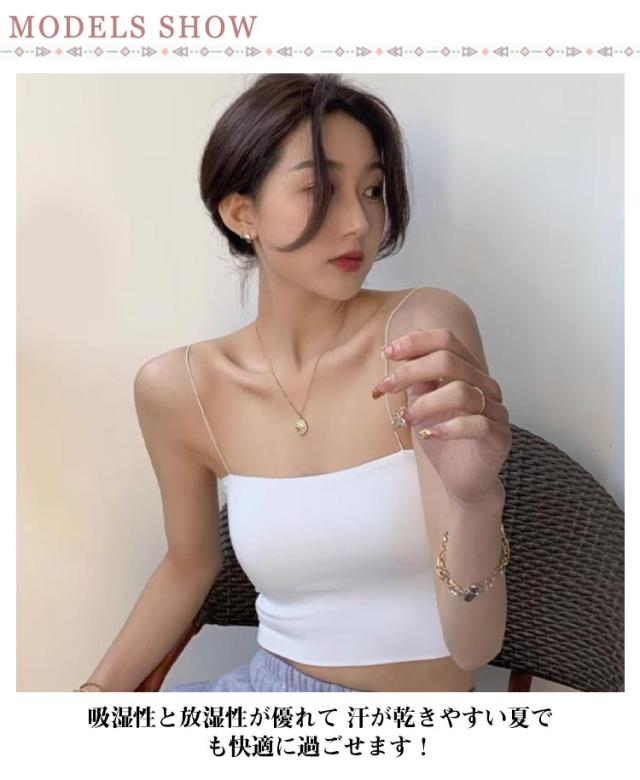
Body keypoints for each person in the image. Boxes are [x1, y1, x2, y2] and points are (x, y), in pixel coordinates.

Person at [74, 74, 512, 694]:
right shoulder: (180, 388)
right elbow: (187, 564)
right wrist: (91, 699)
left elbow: (474, 646)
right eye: (320, 190)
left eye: (372, 191)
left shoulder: (419, 333)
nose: (359, 222)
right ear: (241, 212)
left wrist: (476, 502)